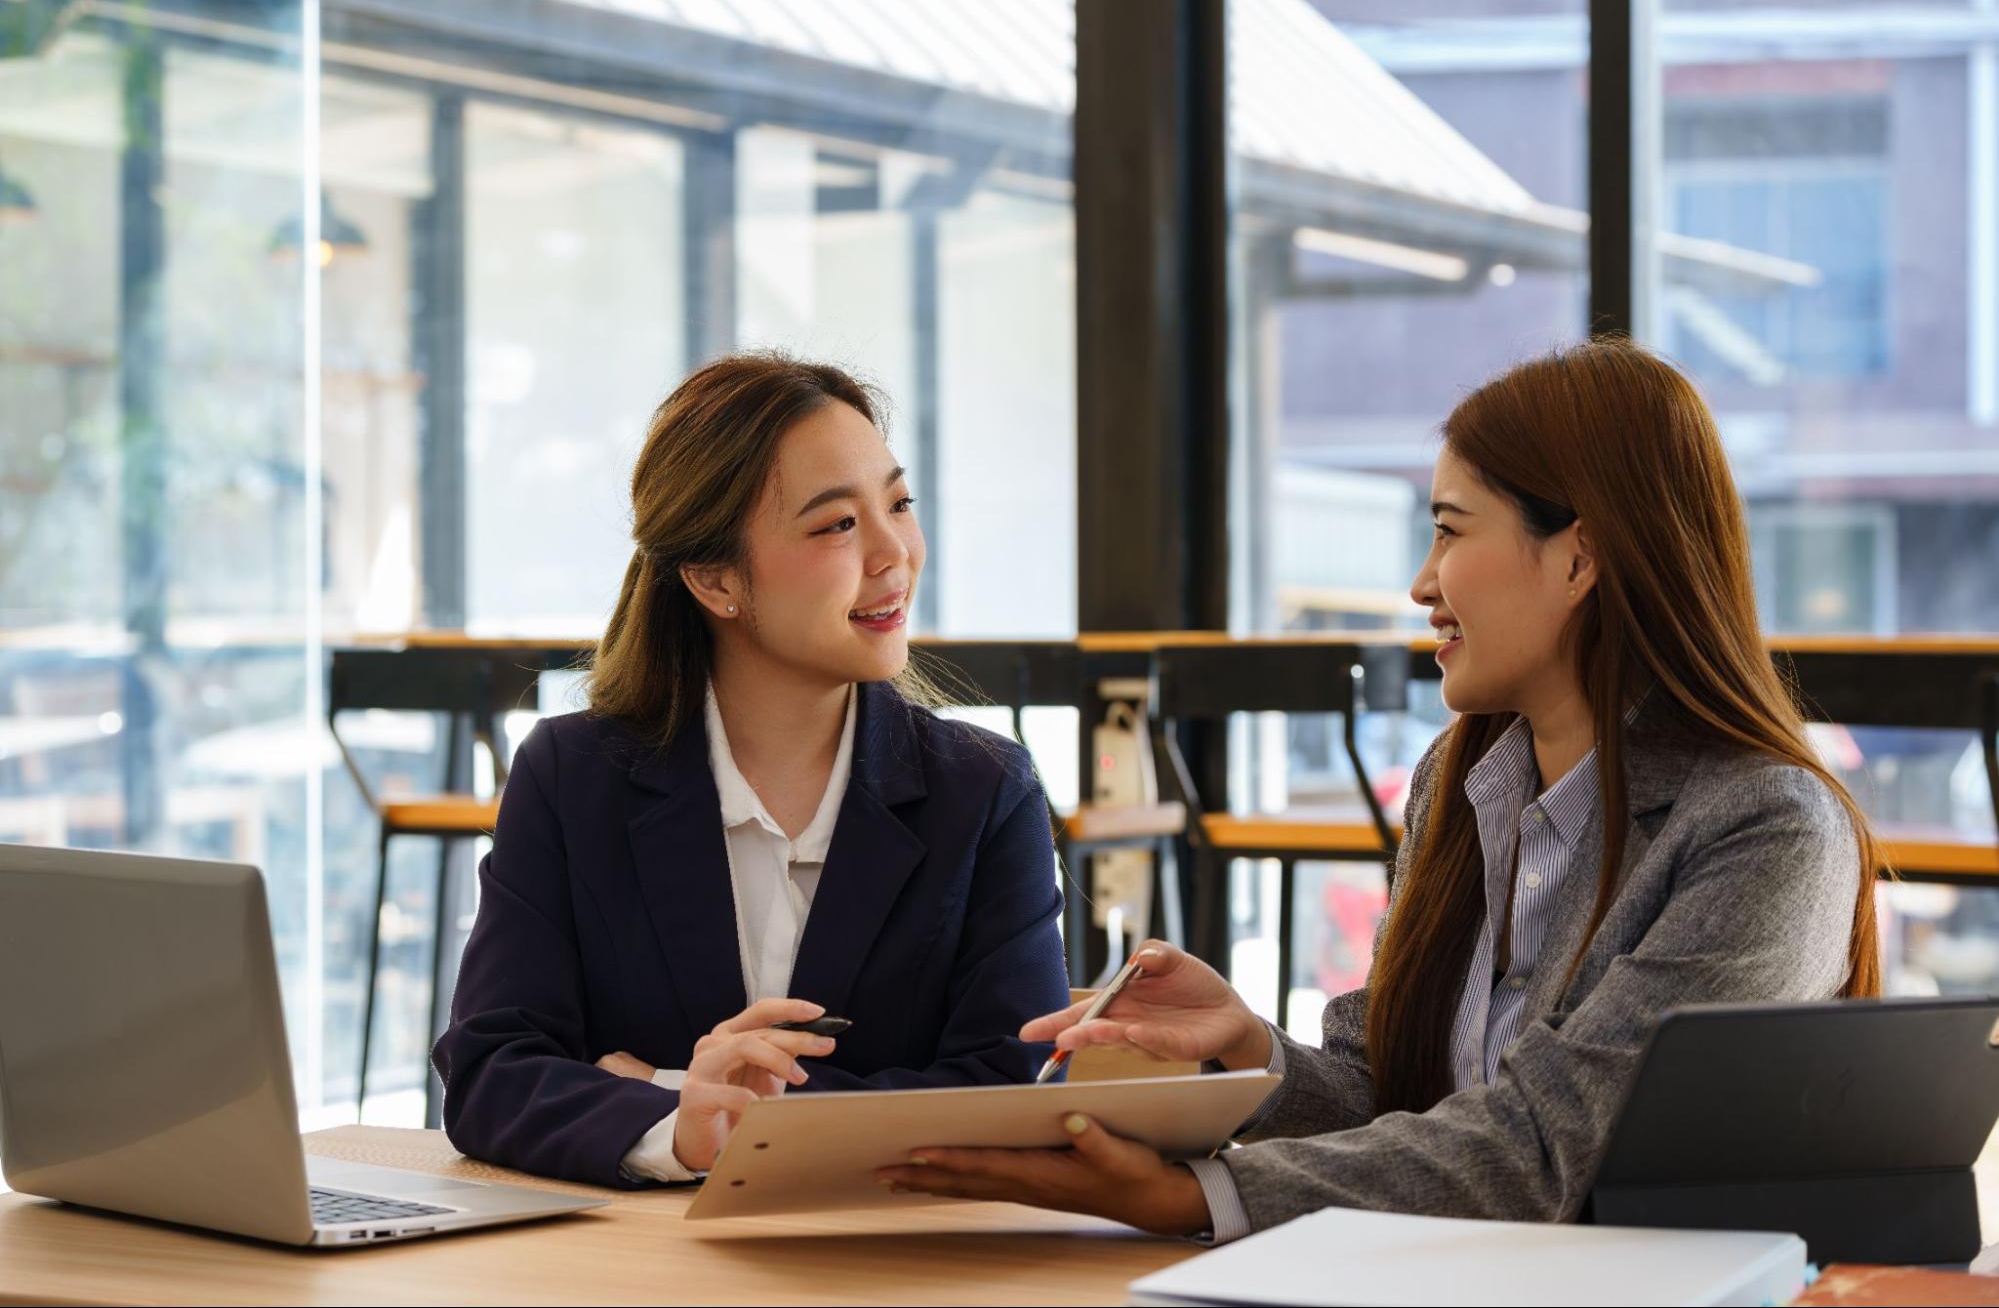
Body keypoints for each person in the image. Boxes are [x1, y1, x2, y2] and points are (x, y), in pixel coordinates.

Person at [875, 338, 1880, 1240]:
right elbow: (1391, 1090)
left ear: (1580, 555)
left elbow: (1553, 1148)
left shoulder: (1765, 828)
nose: (1420, 582)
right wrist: (1244, 1048)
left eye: (1450, 530)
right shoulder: (1460, 777)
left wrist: (1199, 1195)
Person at [434, 352, 1070, 1187]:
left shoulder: (983, 790)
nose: (895, 553)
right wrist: (681, 1124)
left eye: (898, 504)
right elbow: (490, 1072)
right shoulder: (571, 776)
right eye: (835, 524)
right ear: (714, 578)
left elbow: (1009, 1091)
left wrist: (673, 1097)